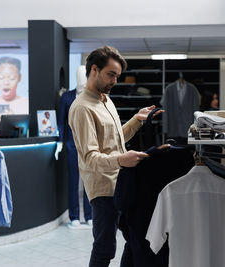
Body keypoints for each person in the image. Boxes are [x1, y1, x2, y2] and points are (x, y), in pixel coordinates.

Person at [69, 46, 163, 267]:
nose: (115, 81)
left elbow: (115, 139)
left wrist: (137, 120)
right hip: (102, 189)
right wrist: (121, 160)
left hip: (120, 183)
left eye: (117, 76)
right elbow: (91, 157)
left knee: (133, 238)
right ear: (94, 70)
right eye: (111, 74)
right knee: (105, 248)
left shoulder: (105, 100)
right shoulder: (82, 108)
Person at [55, 65, 92, 228]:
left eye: (84, 75)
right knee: (73, 180)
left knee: (89, 181)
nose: (82, 78)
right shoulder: (67, 97)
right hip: (71, 144)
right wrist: (60, 142)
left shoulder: (92, 96)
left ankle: (90, 216)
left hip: (89, 145)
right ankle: (74, 216)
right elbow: (61, 122)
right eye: (79, 75)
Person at [0, 56, 29, 129]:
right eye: (1, 77)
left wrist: (15, 123)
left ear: (19, 78)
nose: (6, 82)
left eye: (12, 78)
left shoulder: (28, 104)